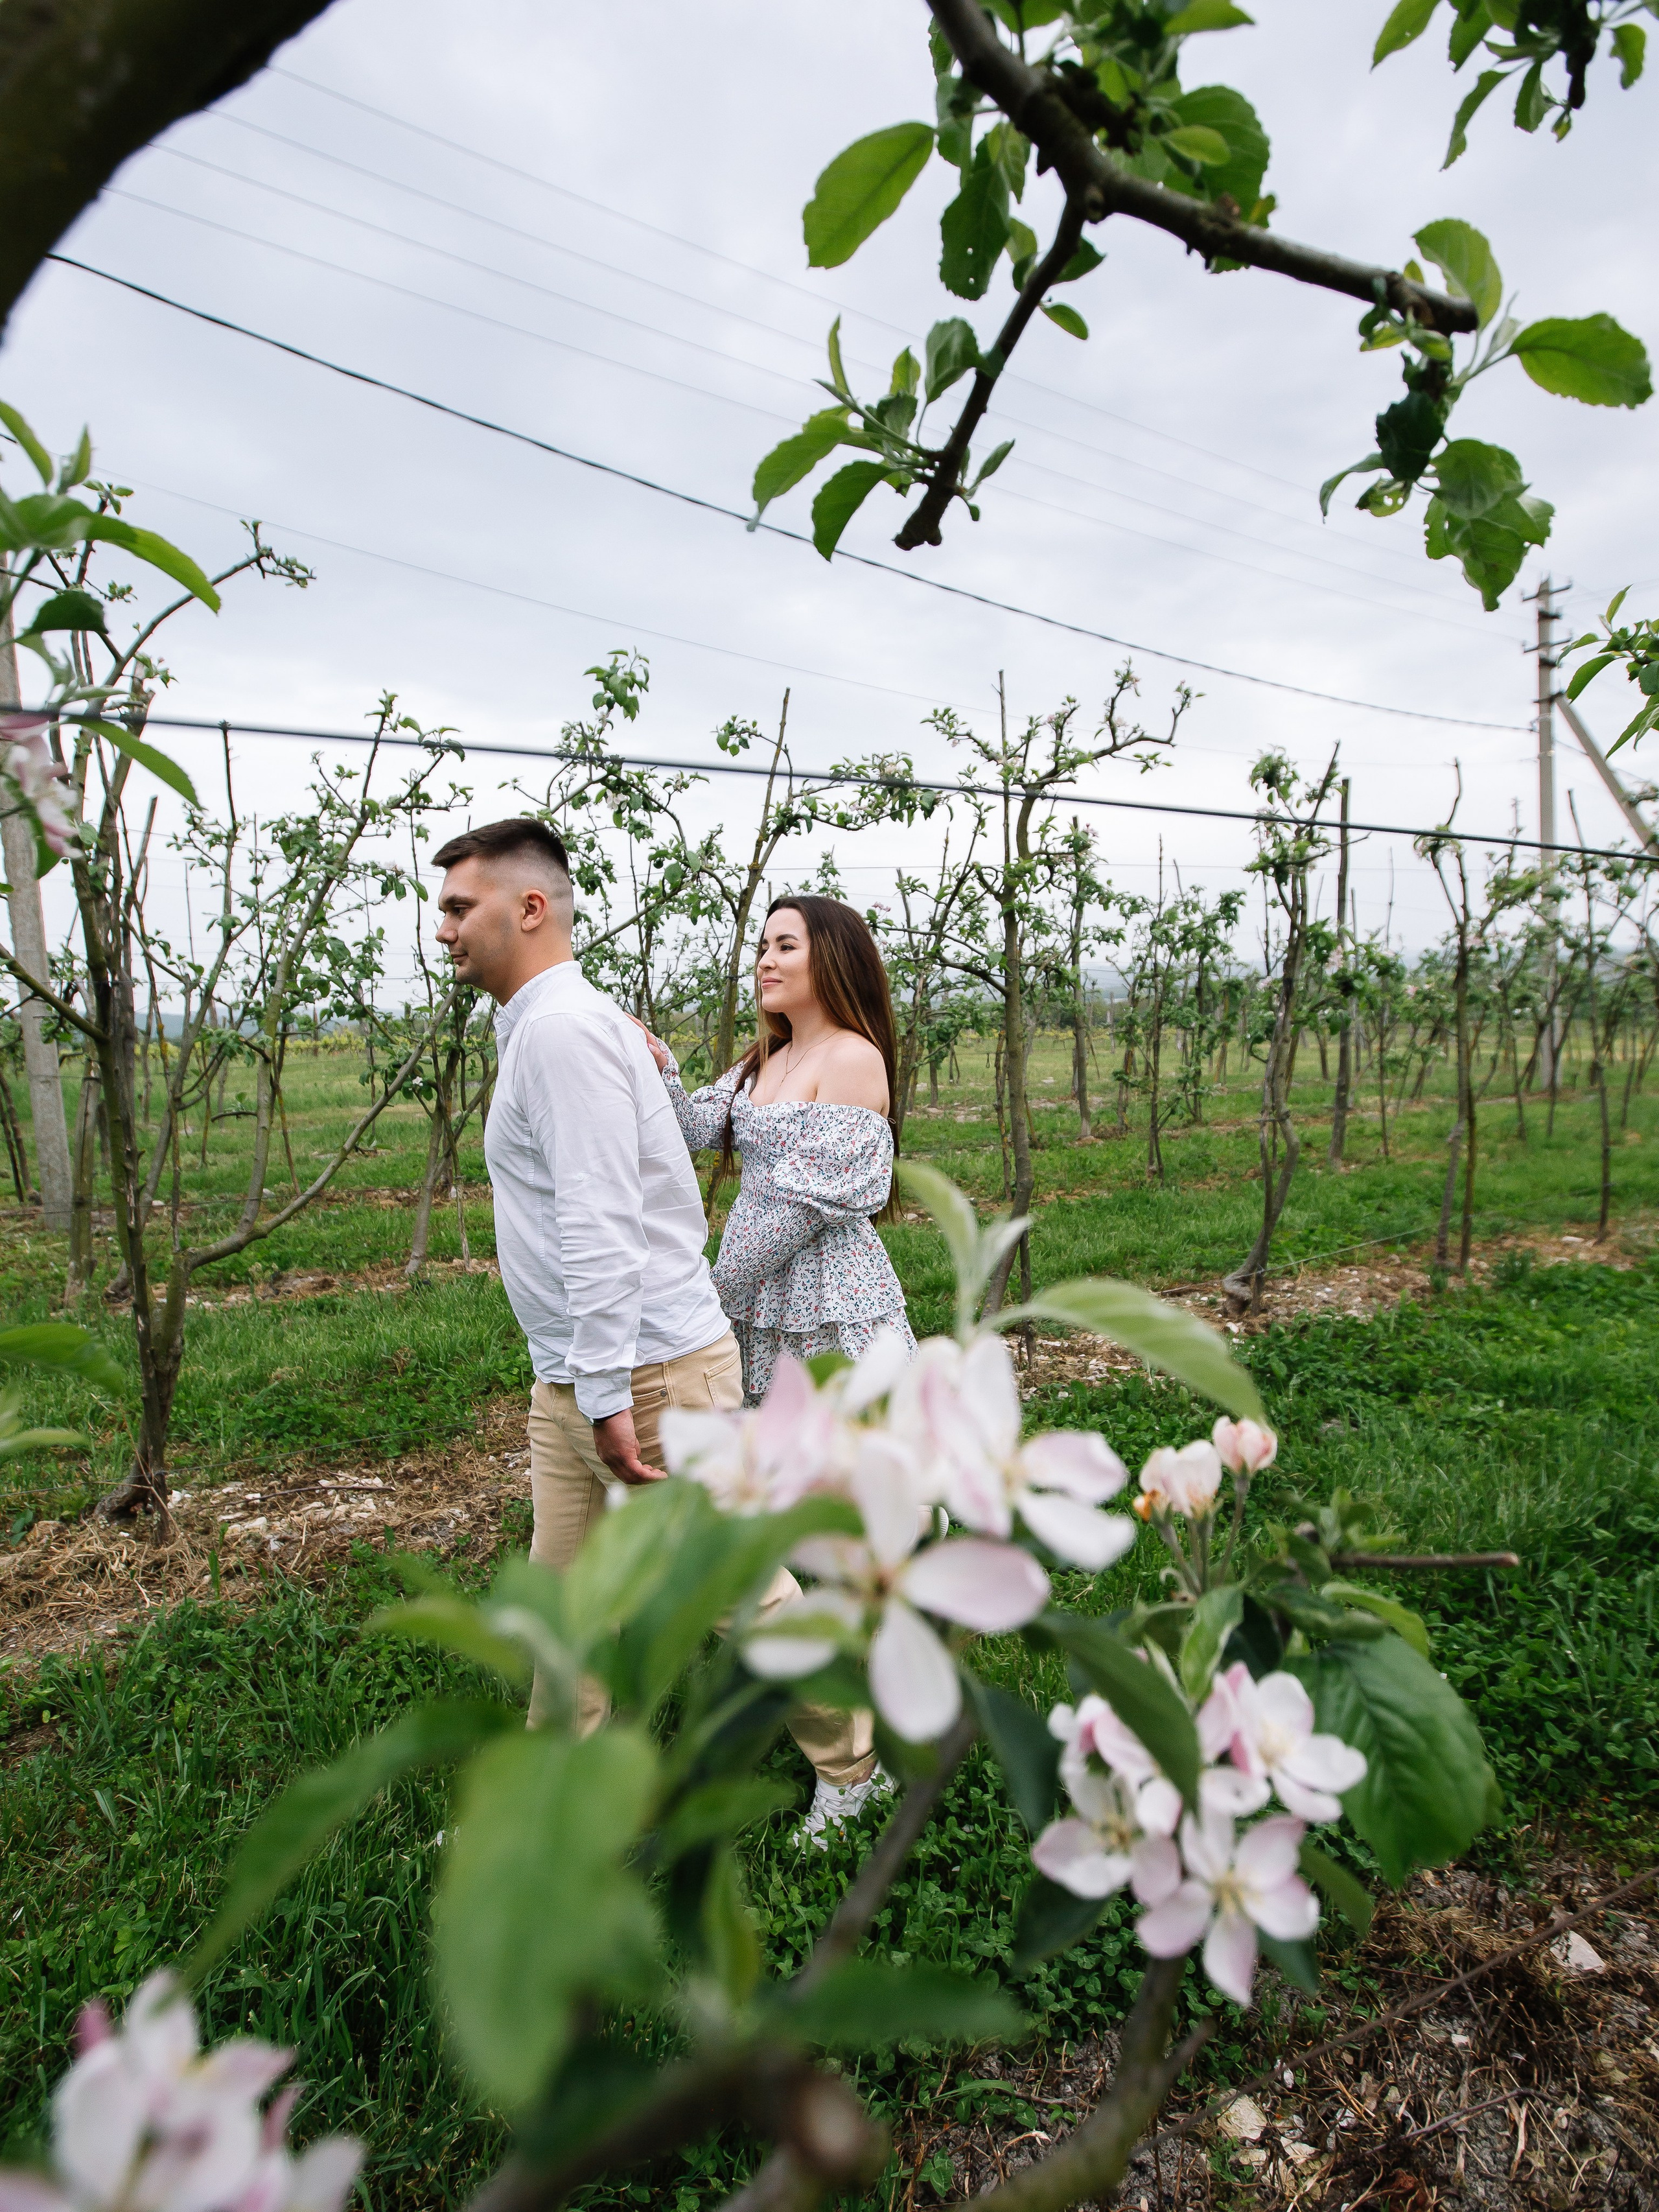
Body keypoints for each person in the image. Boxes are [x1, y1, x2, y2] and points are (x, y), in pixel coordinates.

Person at [430, 819, 880, 1841]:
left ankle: (858, 1768)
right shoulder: (548, 1023)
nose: (444, 928)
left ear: (529, 908)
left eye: (461, 907)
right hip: (590, 1372)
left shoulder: (560, 1032)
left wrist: (604, 1393)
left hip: (645, 1374)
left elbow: (601, 1218)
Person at [637, 894, 916, 1403]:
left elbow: (800, 1214)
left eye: (786, 946)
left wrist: (712, 1290)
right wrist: (660, 1065)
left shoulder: (852, 1057)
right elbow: (695, 1128)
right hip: (758, 1285)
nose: (765, 960)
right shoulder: (766, 1056)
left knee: (829, 1445)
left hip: (824, 1292)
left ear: (834, 958)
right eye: (763, 946)